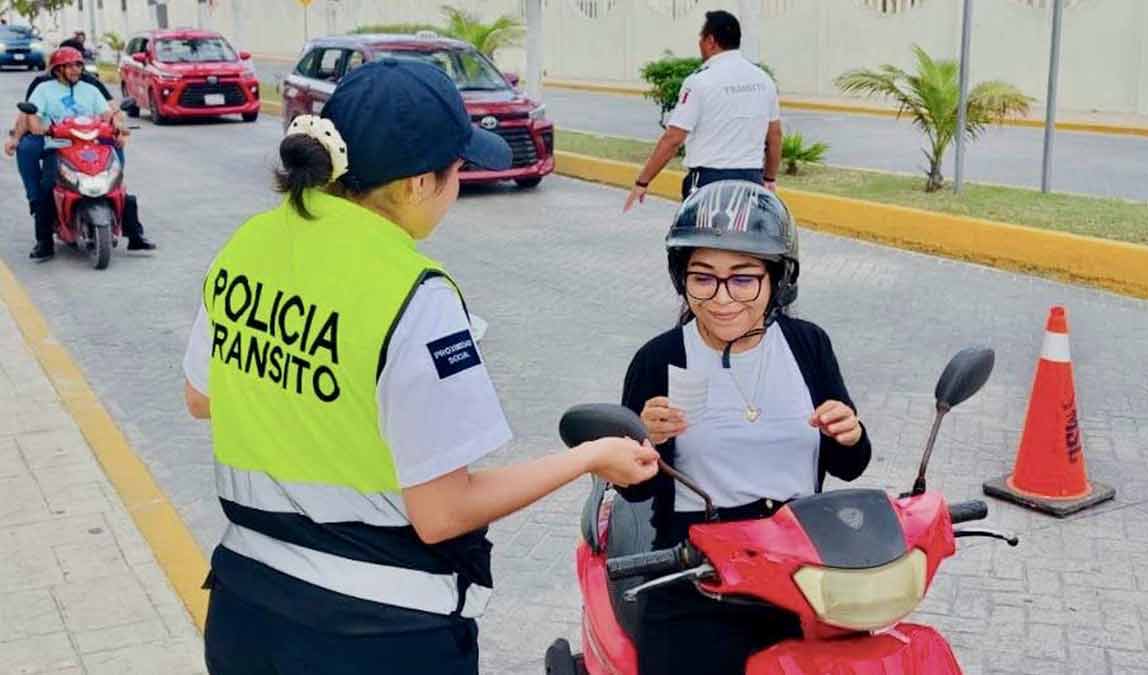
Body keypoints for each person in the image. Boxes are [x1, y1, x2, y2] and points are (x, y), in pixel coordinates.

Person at [181, 59, 660, 675]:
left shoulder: (250, 242)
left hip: (248, 612)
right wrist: (590, 458)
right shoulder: (416, 297)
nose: (459, 187)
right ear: (414, 185)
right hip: (378, 634)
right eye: (458, 171)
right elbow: (443, 514)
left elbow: (201, 395)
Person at [616, 180, 872, 674]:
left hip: (802, 572)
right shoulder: (659, 358)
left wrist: (851, 434)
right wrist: (646, 445)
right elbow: (632, 492)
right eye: (703, 278)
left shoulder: (807, 345)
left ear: (778, 280)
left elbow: (848, 467)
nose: (721, 298)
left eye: (743, 278)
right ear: (682, 279)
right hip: (695, 578)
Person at [624, 10, 783, 211]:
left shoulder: (699, 82)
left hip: (707, 183)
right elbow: (775, 136)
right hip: (751, 182)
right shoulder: (763, 79)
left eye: (701, 37)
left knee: (687, 240)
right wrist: (769, 178)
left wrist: (642, 182)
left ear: (710, 41)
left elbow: (673, 138)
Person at [8, 47, 155, 260]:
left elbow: (107, 113)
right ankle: (44, 242)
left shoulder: (91, 90)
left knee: (116, 187)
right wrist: (36, 126)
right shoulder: (43, 89)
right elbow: (32, 116)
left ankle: (135, 236)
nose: (76, 69)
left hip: (94, 146)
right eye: (70, 65)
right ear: (58, 69)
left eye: (78, 65)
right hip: (58, 147)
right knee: (47, 188)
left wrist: (118, 126)